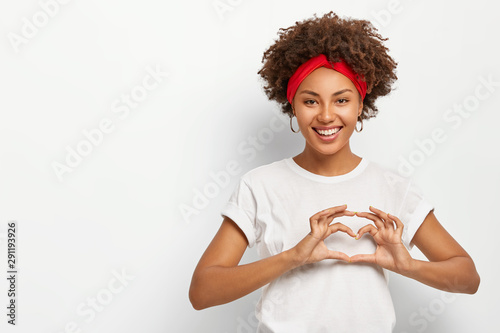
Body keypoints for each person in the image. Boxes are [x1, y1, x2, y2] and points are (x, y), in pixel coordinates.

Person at [189, 11, 480, 332]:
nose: (326, 115)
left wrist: (408, 265)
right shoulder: (260, 185)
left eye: (341, 100)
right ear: (292, 105)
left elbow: (467, 279)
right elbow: (203, 291)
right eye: (310, 101)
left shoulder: (395, 188)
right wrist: (293, 257)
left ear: (360, 104)